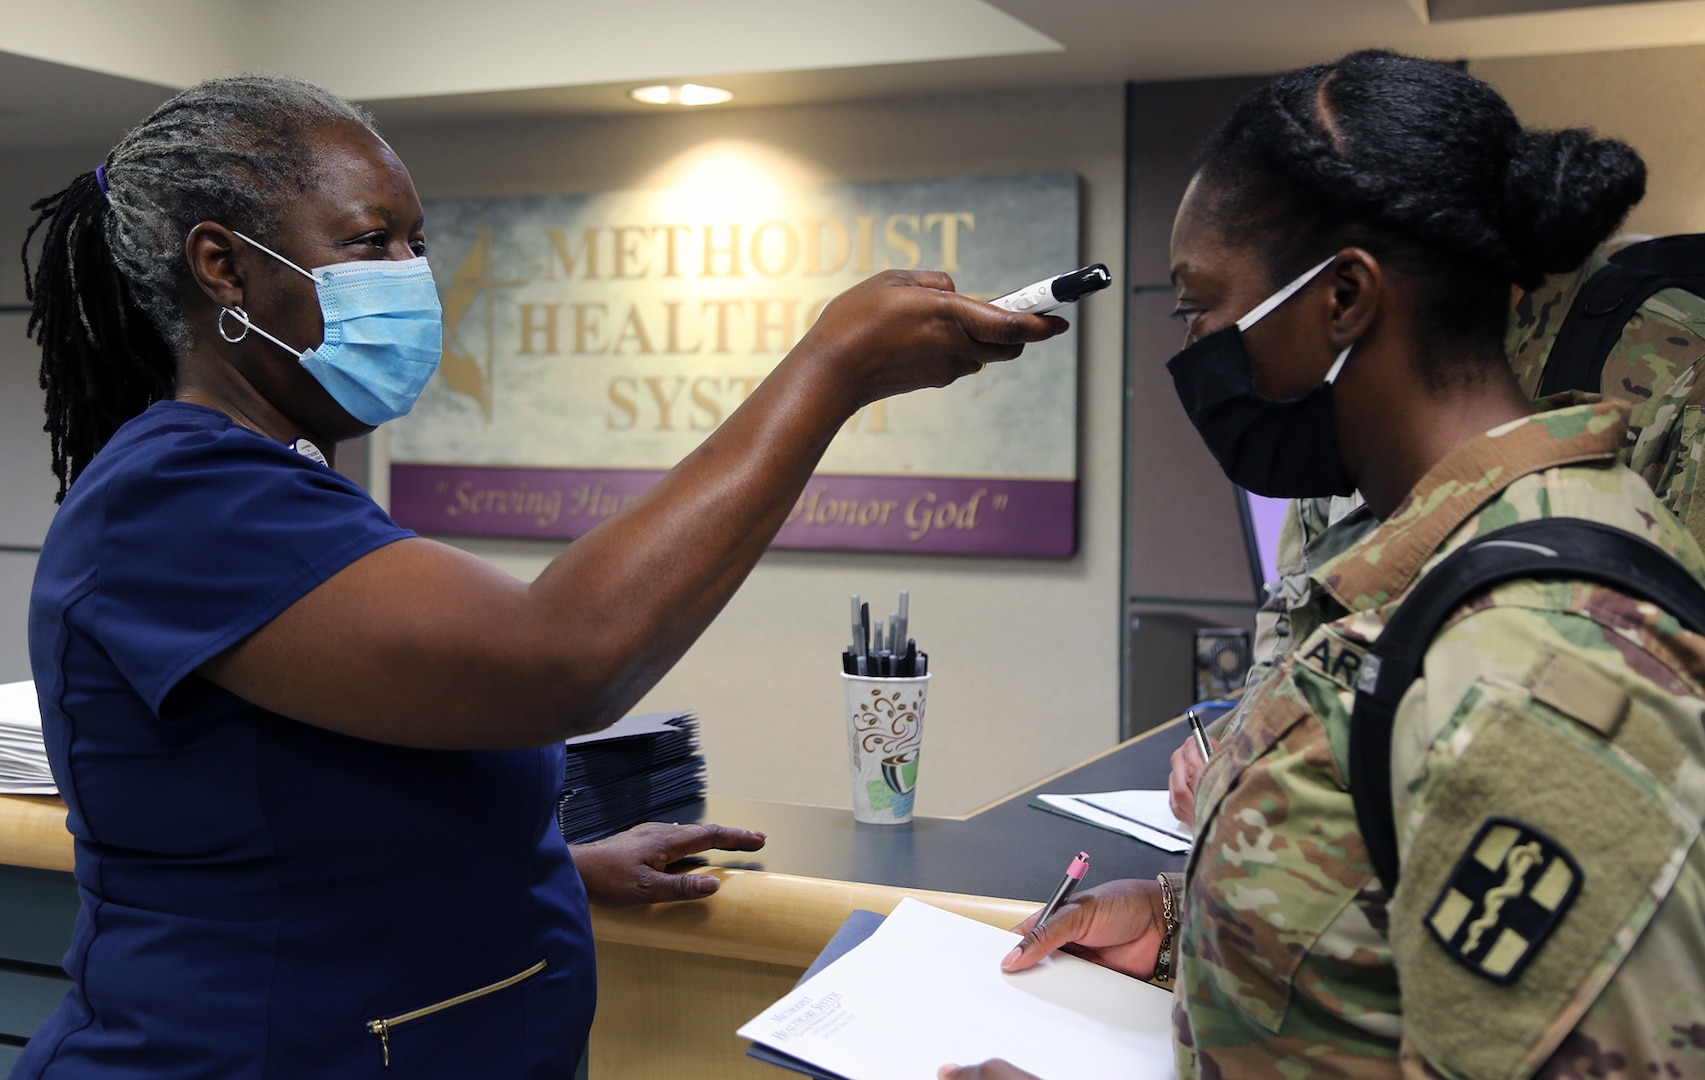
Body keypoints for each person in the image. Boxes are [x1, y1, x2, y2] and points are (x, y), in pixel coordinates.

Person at [16, 75, 1063, 1079]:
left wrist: (535, 865)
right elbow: (557, 661)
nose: (409, 272)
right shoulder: (177, 503)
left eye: (416, 243)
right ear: (223, 270)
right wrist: (826, 375)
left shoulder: (274, 482)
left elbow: (303, 813)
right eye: (370, 240)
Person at [945, 51, 1705, 1079]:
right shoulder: (1440, 555)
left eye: (1199, 305)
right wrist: (1188, 929)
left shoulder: (1528, 664)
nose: (1198, 346)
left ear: (1343, 296)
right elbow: (1399, 908)